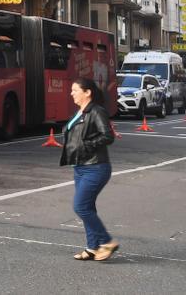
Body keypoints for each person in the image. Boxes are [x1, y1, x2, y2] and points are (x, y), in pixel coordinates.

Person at [60, 77, 118, 261]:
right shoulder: (81, 112)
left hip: (96, 167)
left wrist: (87, 146)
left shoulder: (96, 111)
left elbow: (107, 136)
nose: (71, 93)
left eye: (75, 90)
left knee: (80, 206)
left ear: (87, 92)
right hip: (80, 167)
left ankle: (107, 241)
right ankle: (92, 247)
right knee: (88, 207)